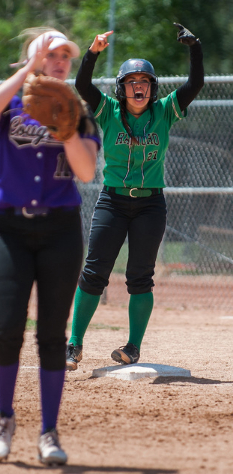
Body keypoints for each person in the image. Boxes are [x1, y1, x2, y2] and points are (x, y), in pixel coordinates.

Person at [0, 27, 100, 465]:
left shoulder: (78, 111)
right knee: (7, 330)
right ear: (33, 60)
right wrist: (27, 72)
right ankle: (4, 418)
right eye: (49, 54)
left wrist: (66, 127)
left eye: (65, 54)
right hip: (10, 229)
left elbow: (85, 172)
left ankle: (48, 432)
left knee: (51, 336)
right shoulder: (11, 103)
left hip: (61, 232)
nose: (60, 60)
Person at [66, 23, 204, 371]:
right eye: (132, 82)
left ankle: (133, 347)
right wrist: (92, 52)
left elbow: (195, 84)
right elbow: (82, 85)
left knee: (140, 277)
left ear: (151, 88)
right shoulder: (109, 110)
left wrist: (195, 48)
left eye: (144, 82)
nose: (138, 87)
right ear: (122, 88)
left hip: (150, 205)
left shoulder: (164, 111)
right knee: (94, 272)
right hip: (112, 201)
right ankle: (74, 344)